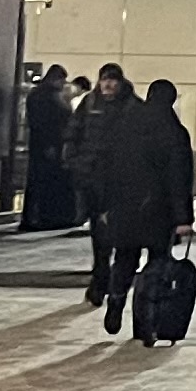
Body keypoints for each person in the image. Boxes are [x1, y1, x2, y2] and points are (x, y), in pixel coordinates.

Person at [96, 80, 196, 338]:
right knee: (157, 264)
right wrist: (183, 218)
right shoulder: (174, 131)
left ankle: (115, 302)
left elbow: (109, 168)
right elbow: (179, 178)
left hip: (126, 205)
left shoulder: (125, 125)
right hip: (160, 210)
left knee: (124, 258)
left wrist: (105, 205)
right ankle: (145, 322)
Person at [66, 65, 137, 303]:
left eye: (112, 80)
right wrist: (75, 162)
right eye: (104, 80)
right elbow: (73, 133)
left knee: (119, 233)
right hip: (92, 177)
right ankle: (100, 279)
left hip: (120, 180)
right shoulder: (89, 103)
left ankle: (111, 281)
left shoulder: (131, 106)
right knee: (98, 232)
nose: (108, 84)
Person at [18, 63, 78, 230]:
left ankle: (41, 217)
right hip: (49, 144)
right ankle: (44, 217)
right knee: (45, 181)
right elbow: (45, 123)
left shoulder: (42, 94)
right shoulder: (46, 96)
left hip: (46, 144)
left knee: (42, 181)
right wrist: (50, 144)